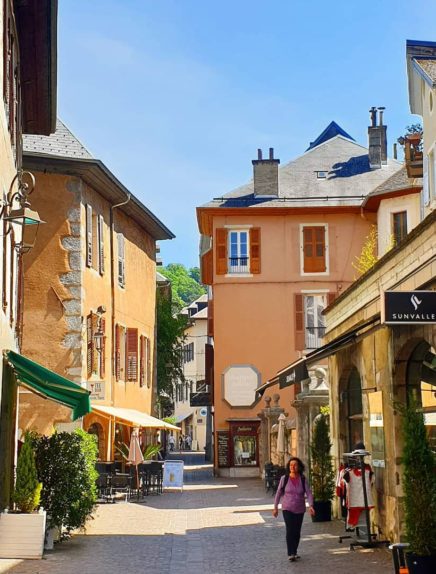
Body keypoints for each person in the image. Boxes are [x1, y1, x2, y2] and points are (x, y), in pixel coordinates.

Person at [272, 457, 315, 562]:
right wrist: (275, 507)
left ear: (299, 467)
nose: (292, 467)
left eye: (295, 465)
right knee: (290, 530)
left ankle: (294, 551)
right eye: (291, 465)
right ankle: (290, 553)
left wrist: (311, 506)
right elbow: (278, 493)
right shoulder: (284, 478)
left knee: (297, 532)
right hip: (287, 508)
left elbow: (308, 493)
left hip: (299, 509)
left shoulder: (303, 479)